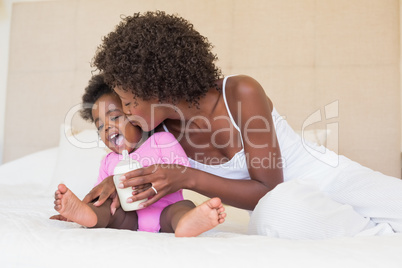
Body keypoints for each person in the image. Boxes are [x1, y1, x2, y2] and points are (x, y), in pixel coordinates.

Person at [86, 11, 402, 239]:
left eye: (129, 102)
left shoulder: (240, 92)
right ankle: (381, 240)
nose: (127, 112)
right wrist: (118, 181)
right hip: (286, 207)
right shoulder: (160, 138)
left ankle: (375, 229)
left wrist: (188, 177)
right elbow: (274, 198)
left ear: (155, 87)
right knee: (275, 214)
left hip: (332, 178)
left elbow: (269, 184)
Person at [50, 74, 226, 237]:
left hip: (166, 210)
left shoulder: (160, 142)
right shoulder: (108, 161)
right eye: (100, 127)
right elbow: (101, 194)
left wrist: (149, 178)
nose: (108, 128)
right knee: (105, 208)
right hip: (129, 219)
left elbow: (183, 171)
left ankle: (187, 223)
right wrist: (91, 205)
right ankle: (86, 216)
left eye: (115, 117)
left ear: (134, 117)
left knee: (184, 207)